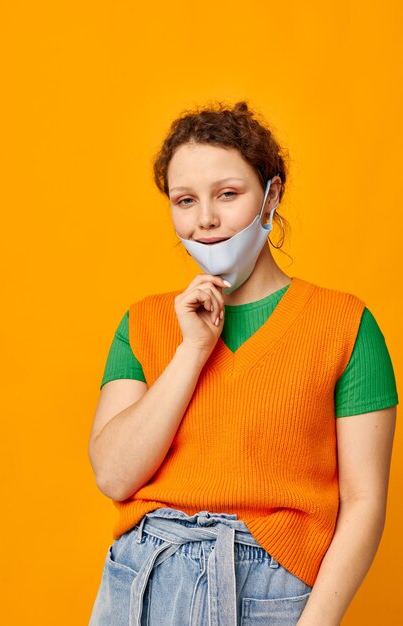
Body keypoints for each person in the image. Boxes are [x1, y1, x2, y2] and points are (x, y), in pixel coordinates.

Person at [87, 101, 398, 626]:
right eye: (186, 200)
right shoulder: (143, 322)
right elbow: (115, 477)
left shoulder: (345, 324)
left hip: (270, 588)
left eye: (227, 194)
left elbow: (364, 502)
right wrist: (191, 351)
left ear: (271, 195)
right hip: (140, 582)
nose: (205, 218)